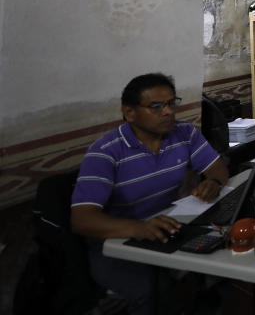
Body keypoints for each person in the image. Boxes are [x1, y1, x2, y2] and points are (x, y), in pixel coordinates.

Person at [70, 73, 229, 315]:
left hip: (167, 227)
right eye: (156, 106)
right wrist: (139, 228)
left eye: (171, 103)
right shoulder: (105, 153)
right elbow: (82, 219)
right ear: (129, 112)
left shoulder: (184, 133)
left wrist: (214, 181)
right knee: (152, 291)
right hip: (115, 242)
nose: (168, 112)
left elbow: (217, 168)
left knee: (221, 257)